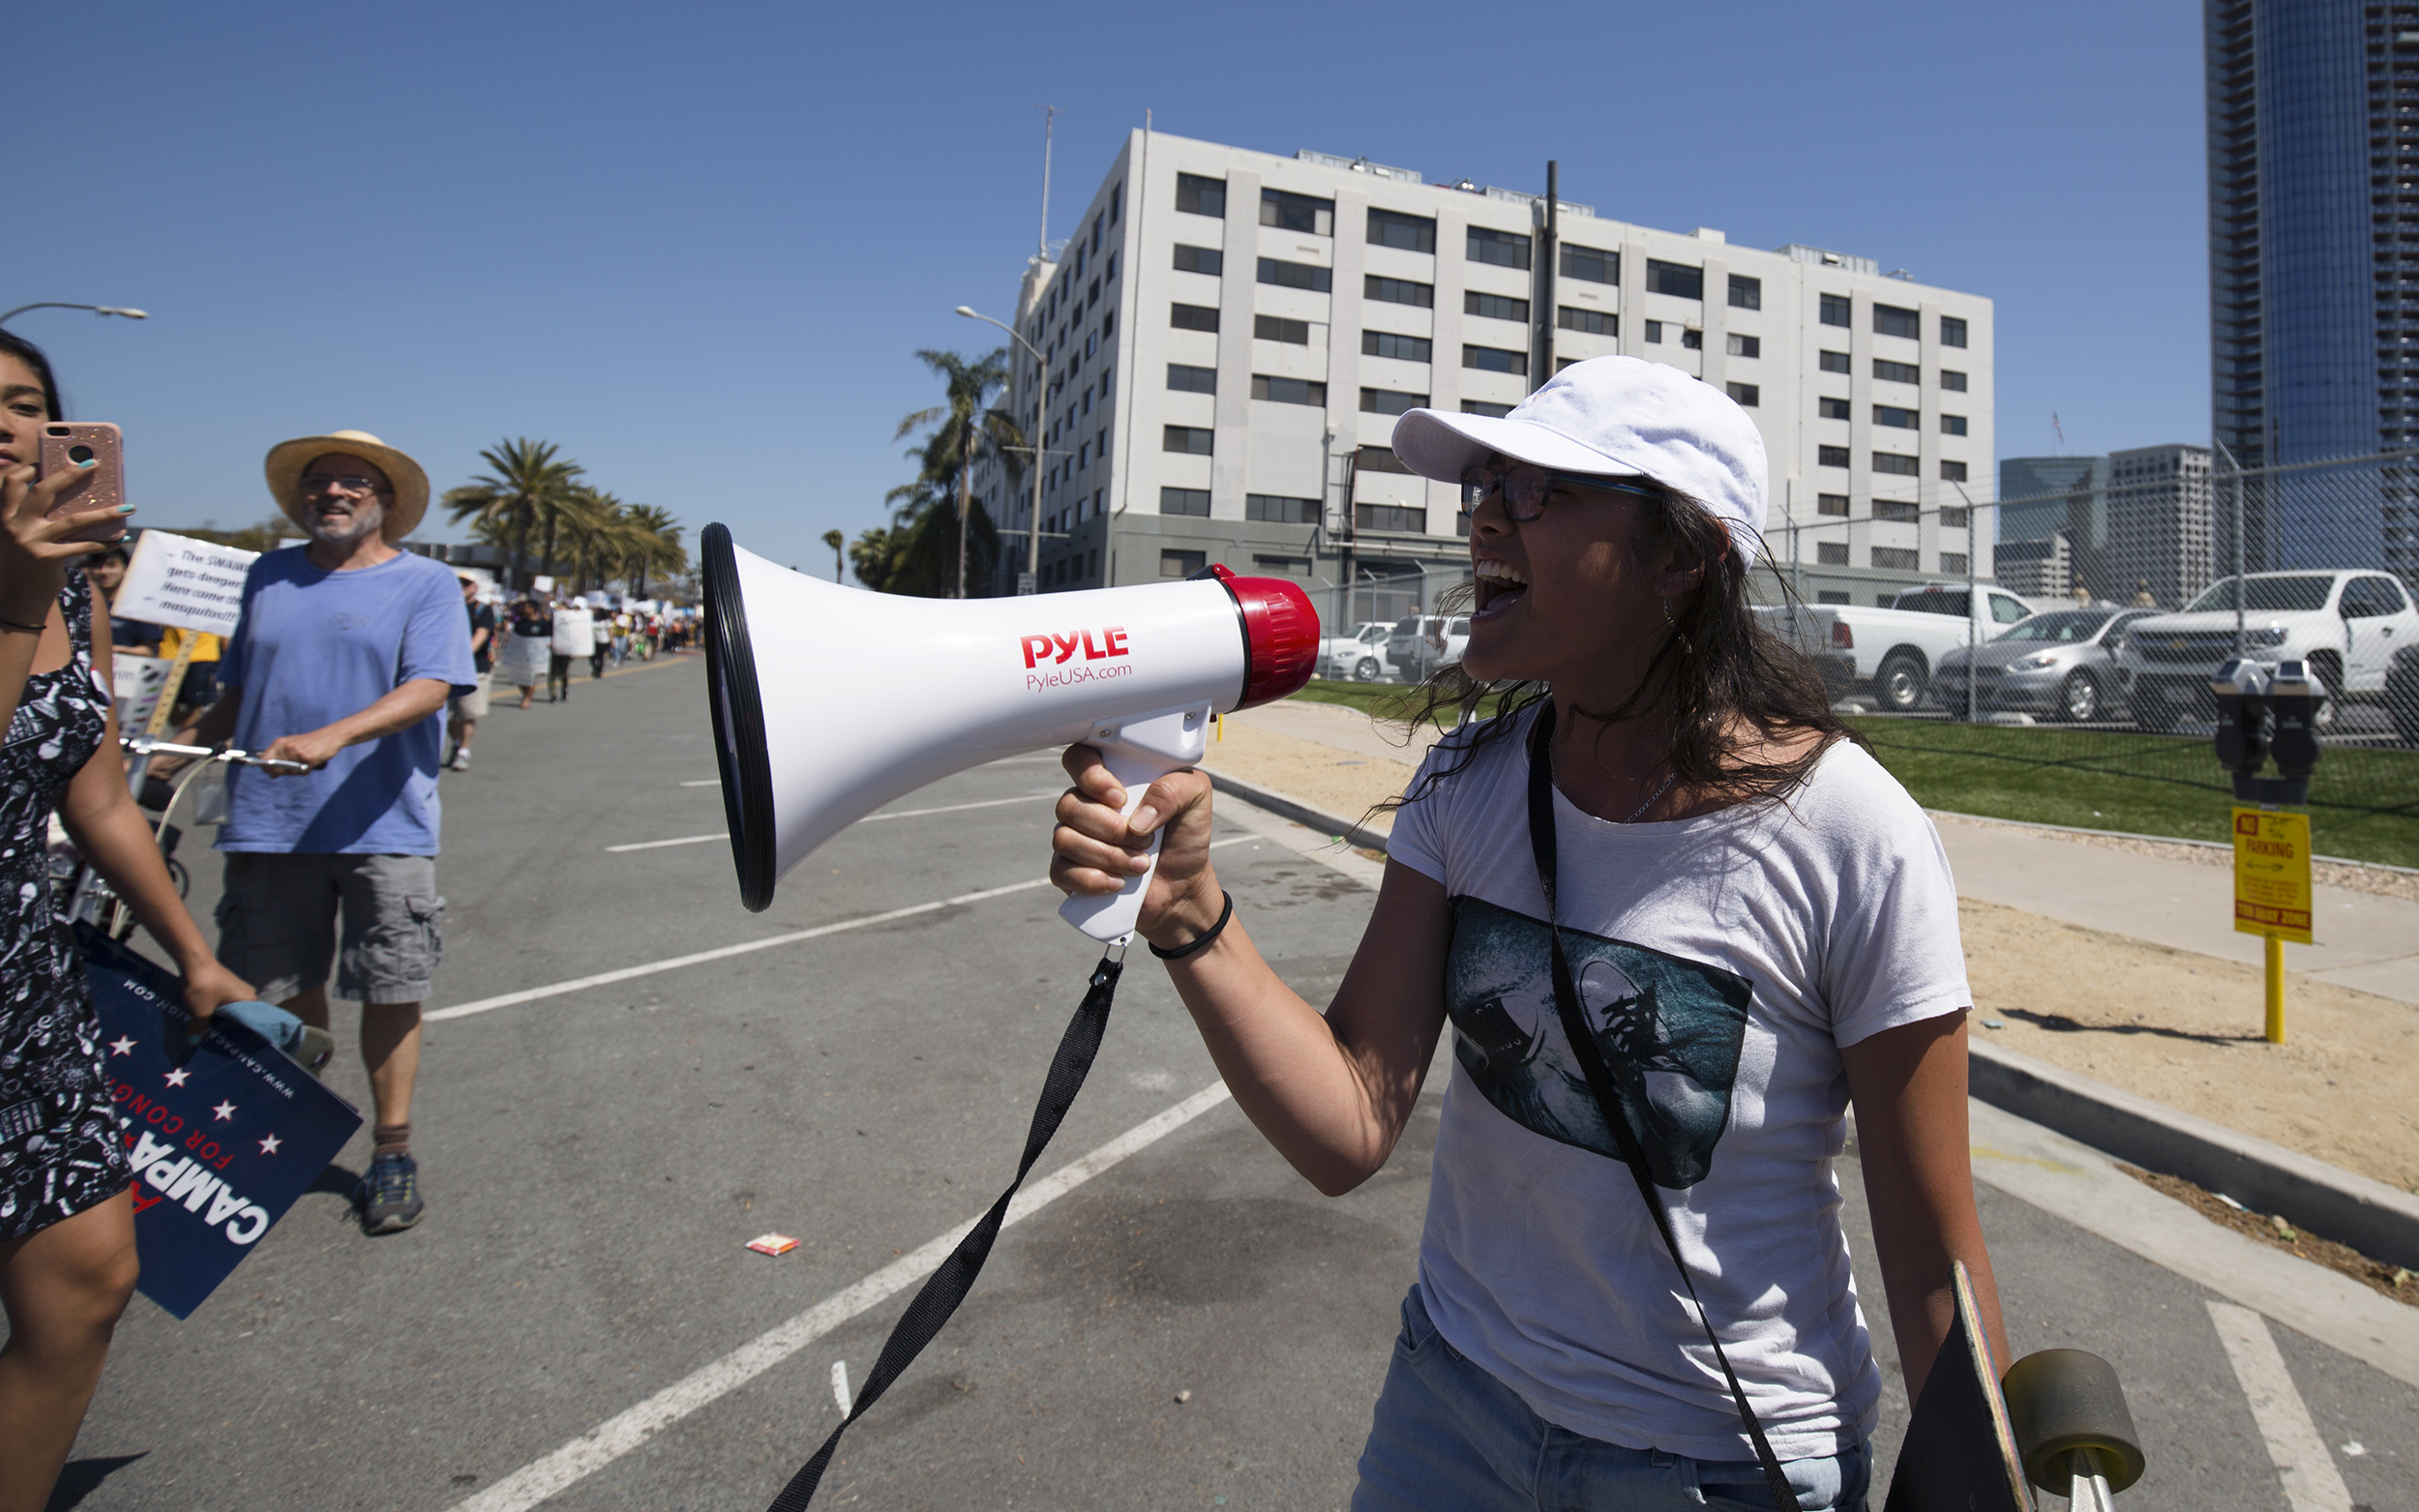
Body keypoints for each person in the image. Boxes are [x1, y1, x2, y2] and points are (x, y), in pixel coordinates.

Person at [1050, 358, 2000, 1512]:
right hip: (1448, 1413)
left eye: (1540, 489)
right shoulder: (1467, 784)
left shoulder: (1852, 837)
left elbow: (1933, 1269)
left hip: (1718, 1465)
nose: (1485, 515)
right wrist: (1191, 912)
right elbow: (1349, 1122)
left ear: (1679, 556)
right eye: (1484, 484)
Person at [0, 332, 257, 1512]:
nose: (6, 427)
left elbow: (94, 788)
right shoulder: (25, 583)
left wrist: (193, 955)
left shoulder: (54, 579)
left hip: (21, 984)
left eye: (27, 408)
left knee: (89, 1280)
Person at [174, 429, 475, 1236]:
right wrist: (161, 768)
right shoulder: (268, 575)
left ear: (384, 500)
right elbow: (238, 690)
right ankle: (299, 1130)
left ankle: (392, 1147)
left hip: (384, 823)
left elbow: (432, 686)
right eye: (318, 484)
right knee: (281, 988)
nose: (331, 494)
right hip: (268, 823)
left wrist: (334, 736)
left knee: (390, 981)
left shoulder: (426, 582)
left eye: (350, 483)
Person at [447, 573, 494, 771]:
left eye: (466, 583)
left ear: (475, 587)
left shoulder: (482, 610)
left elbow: (481, 634)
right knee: (450, 715)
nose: (461, 586)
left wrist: (463, 656)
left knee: (467, 713)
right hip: (446, 669)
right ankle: (457, 743)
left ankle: (463, 751)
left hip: (473, 668)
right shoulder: (447, 607)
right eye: (459, 583)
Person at [83, 543, 161, 658]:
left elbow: (148, 650)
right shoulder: (81, 605)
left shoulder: (138, 607)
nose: (104, 572)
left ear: (126, 569)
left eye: (111, 566)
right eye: (98, 566)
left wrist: (117, 650)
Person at [498, 597, 549, 709]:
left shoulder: (542, 624)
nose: (523, 609)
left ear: (533, 609)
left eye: (526, 607)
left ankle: (527, 699)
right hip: (521, 656)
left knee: (531, 678)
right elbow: (514, 638)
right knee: (519, 678)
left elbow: (548, 639)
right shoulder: (520, 623)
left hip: (535, 658)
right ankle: (525, 694)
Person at [547, 595, 591, 703]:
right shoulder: (553, 618)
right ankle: (553, 695)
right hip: (553, 650)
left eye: (562, 606)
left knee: (562, 673)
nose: (559, 608)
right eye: (559, 606)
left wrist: (576, 649)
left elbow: (578, 634)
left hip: (566, 650)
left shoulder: (572, 619)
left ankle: (564, 691)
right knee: (551, 674)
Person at [589, 605, 611, 679]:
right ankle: (595, 668)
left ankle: (599, 672)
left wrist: (612, 641)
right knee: (592, 657)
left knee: (600, 657)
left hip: (603, 641)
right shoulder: (593, 620)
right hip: (594, 641)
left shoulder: (606, 622)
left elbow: (610, 632)